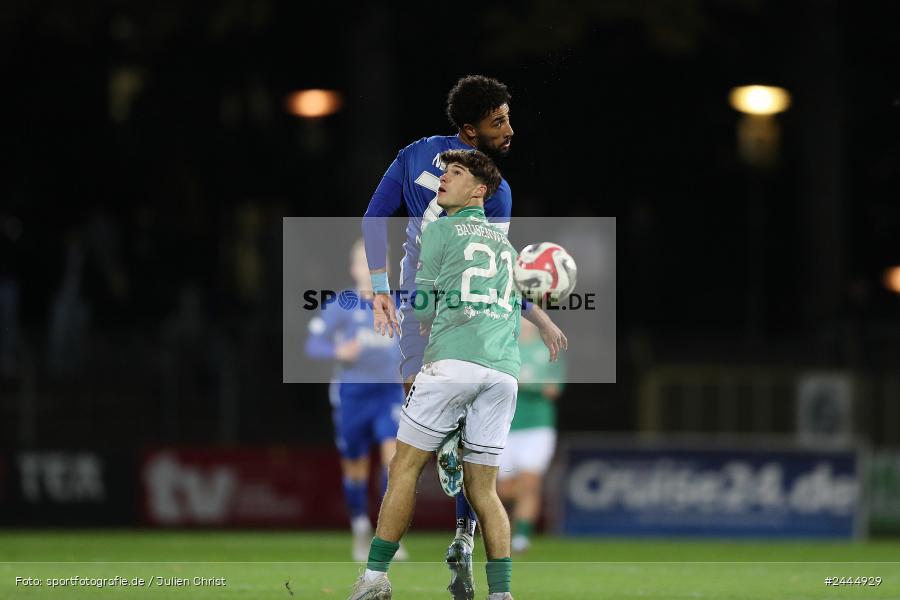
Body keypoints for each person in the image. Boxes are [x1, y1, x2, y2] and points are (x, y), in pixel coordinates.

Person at [361, 74, 566, 599]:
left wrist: (383, 291)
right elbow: (495, 273)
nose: (509, 129)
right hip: (487, 344)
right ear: (471, 132)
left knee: (411, 454)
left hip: (435, 322)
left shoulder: (417, 159)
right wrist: (537, 316)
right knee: (478, 470)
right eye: (499, 121)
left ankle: (398, 566)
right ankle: (470, 544)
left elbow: (376, 219)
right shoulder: (495, 194)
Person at [349, 150, 518, 600]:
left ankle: (374, 579)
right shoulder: (507, 247)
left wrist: (423, 319)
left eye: (456, 173)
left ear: (479, 191)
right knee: (485, 491)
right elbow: (513, 307)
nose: (443, 178)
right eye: (445, 172)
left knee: (404, 467)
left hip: (453, 363)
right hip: (503, 372)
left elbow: (422, 305)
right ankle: (501, 594)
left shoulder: (439, 229)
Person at [305, 239, 408, 562]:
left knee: (394, 463)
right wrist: (337, 350)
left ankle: (387, 536)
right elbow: (313, 345)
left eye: (378, 261)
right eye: (365, 262)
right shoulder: (341, 305)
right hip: (352, 396)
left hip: (388, 394)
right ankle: (360, 526)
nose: (372, 268)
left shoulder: (399, 303)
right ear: (354, 269)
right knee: (356, 471)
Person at [498, 318, 566, 554]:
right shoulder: (502, 346)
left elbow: (553, 388)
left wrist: (525, 383)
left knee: (530, 484)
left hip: (537, 426)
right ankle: (508, 525)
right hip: (504, 425)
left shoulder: (548, 347)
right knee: (504, 489)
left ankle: (521, 537)